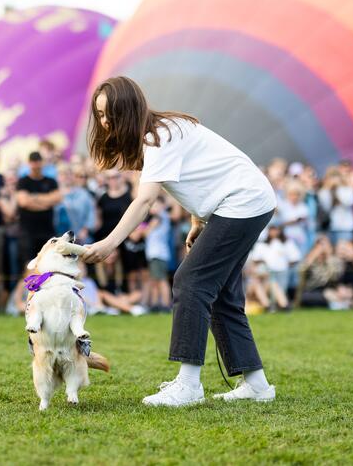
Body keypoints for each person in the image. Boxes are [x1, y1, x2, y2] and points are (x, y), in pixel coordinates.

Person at [81, 76, 277, 406]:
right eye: (99, 115)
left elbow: (144, 202)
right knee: (221, 295)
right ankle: (257, 385)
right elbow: (199, 174)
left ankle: (188, 385)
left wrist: (109, 243)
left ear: (127, 110)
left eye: (109, 115)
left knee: (191, 281)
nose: (104, 122)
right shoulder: (162, 131)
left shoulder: (159, 137)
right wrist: (197, 220)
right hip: (245, 201)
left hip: (244, 202)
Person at [16, 152, 61, 269]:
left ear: (42, 163)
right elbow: (23, 202)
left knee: (49, 265)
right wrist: (46, 201)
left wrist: (33, 198)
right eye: (33, 163)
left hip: (47, 231)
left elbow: (56, 199)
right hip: (27, 232)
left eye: (38, 162)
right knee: (29, 266)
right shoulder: (23, 181)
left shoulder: (51, 181)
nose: (36, 166)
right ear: (29, 164)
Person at [144, 195, 171, 311]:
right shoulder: (163, 217)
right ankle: (155, 304)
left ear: (162, 205)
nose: (152, 207)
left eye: (155, 204)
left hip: (158, 253)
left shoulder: (158, 217)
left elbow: (145, 233)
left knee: (161, 280)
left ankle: (166, 304)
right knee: (156, 279)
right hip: (157, 253)